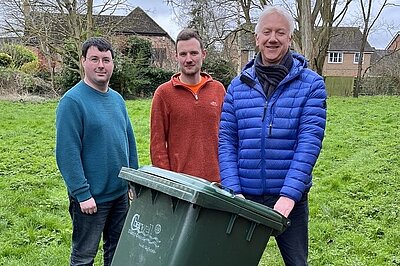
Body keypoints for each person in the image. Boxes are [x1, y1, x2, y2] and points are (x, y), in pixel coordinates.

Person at [218, 6, 327, 266]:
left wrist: (289, 195)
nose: (272, 38)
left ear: (290, 38)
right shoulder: (236, 87)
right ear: (257, 38)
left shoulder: (312, 85)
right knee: (236, 262)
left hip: (290, 198)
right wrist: (234, 191)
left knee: (297, 262)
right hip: (246, 195)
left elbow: (309, 143)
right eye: (266, 32)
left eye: (280, 32)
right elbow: (226, 141)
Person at [55, 37, 139, 266]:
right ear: (83, 62)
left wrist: (133, 181)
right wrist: (82, 194)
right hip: (91, 200)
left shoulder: (117, 100)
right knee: (84, 257)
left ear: (113, 64)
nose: (101, 65)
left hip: (120, 196)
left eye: (106, 59)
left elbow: (129, 142)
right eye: (94, 59)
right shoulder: (72, 102)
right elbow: (66, 153)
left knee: (117, 254)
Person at [150, 28, 226, 182]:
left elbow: (228, 137)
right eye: (183, 54)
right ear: (176, 56)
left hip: (217, 184)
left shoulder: (218, 90)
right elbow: (157, 147)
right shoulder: (163, 94)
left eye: (194, 53)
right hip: (182, 185)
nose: (189, 59)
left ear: (203, 54)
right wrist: (169, 182)